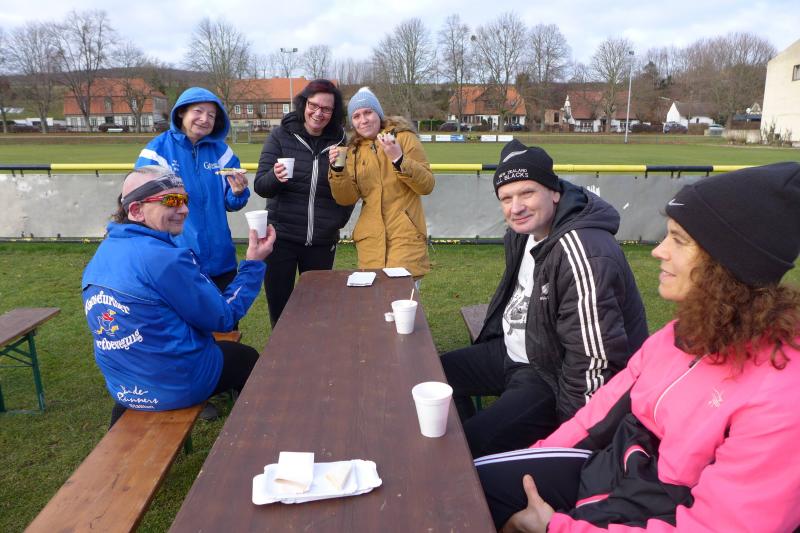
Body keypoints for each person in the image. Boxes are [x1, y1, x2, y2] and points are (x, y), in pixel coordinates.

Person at [476, 162, 800, 532]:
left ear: (727, 261)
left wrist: (554, 528)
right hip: (613, 474)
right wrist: (530, 466)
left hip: (648, 510)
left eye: (678, 239)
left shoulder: (782, 398)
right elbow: (597, 416)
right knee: (470, 486)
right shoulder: (683, 335)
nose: (658, 251)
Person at [441, 140, 649, 458]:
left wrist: (569, 444)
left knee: (467, 444)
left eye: (527, 193)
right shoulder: (523, 234)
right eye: (506, 198)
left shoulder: (583, 250)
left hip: (549, 373)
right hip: (516, 350)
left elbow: (594, 365)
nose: (516, 207)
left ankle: (477, 459)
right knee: (435, 377)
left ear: (554, 192)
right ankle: (476, 446)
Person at [82, 166, 276, 428]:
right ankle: (255, 432)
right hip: (177, 384)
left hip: (124, 386)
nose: (184, 209)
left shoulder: (105, 250)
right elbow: (223, 317)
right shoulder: (165, 258)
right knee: (246, 357)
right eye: (171, 201)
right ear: (136, 210)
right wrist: (253, 263)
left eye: (184, 200)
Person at [253, 79, 353, 327]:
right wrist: (275, 177)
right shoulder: (280, 136)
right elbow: (261, 186)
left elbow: (350, 191)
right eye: (313, 105)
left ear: (334, 112)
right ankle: (282, 353)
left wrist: (336, 222)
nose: (318, 113)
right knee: (281, 312)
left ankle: (314, 352)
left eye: (326, 109)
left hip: (321, 242)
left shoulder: (342, 143)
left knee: (317, 313)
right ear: (304, 104)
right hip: (281, 240)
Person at [135, 87, 249, 293]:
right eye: (198, 111)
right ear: (181, 112)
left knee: (227, 313)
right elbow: (144, 207)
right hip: (177, 261)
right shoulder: (156, 152)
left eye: (211, 115)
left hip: (222, 261)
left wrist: (238, 192)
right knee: (186, 315)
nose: (205, 119)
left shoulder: (223, 152)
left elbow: (231, 203)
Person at [328, 87, 434, 279]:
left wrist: (399, 159)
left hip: (405, 239)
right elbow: (346, 199)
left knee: (401, 297)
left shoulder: (403, 138)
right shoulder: (353, 151)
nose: (363, 120)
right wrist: (338, 170)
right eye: (356, 116)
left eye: (368, 112)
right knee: (373, 298)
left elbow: (426, 185)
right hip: (370, 244)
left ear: (378, 113)